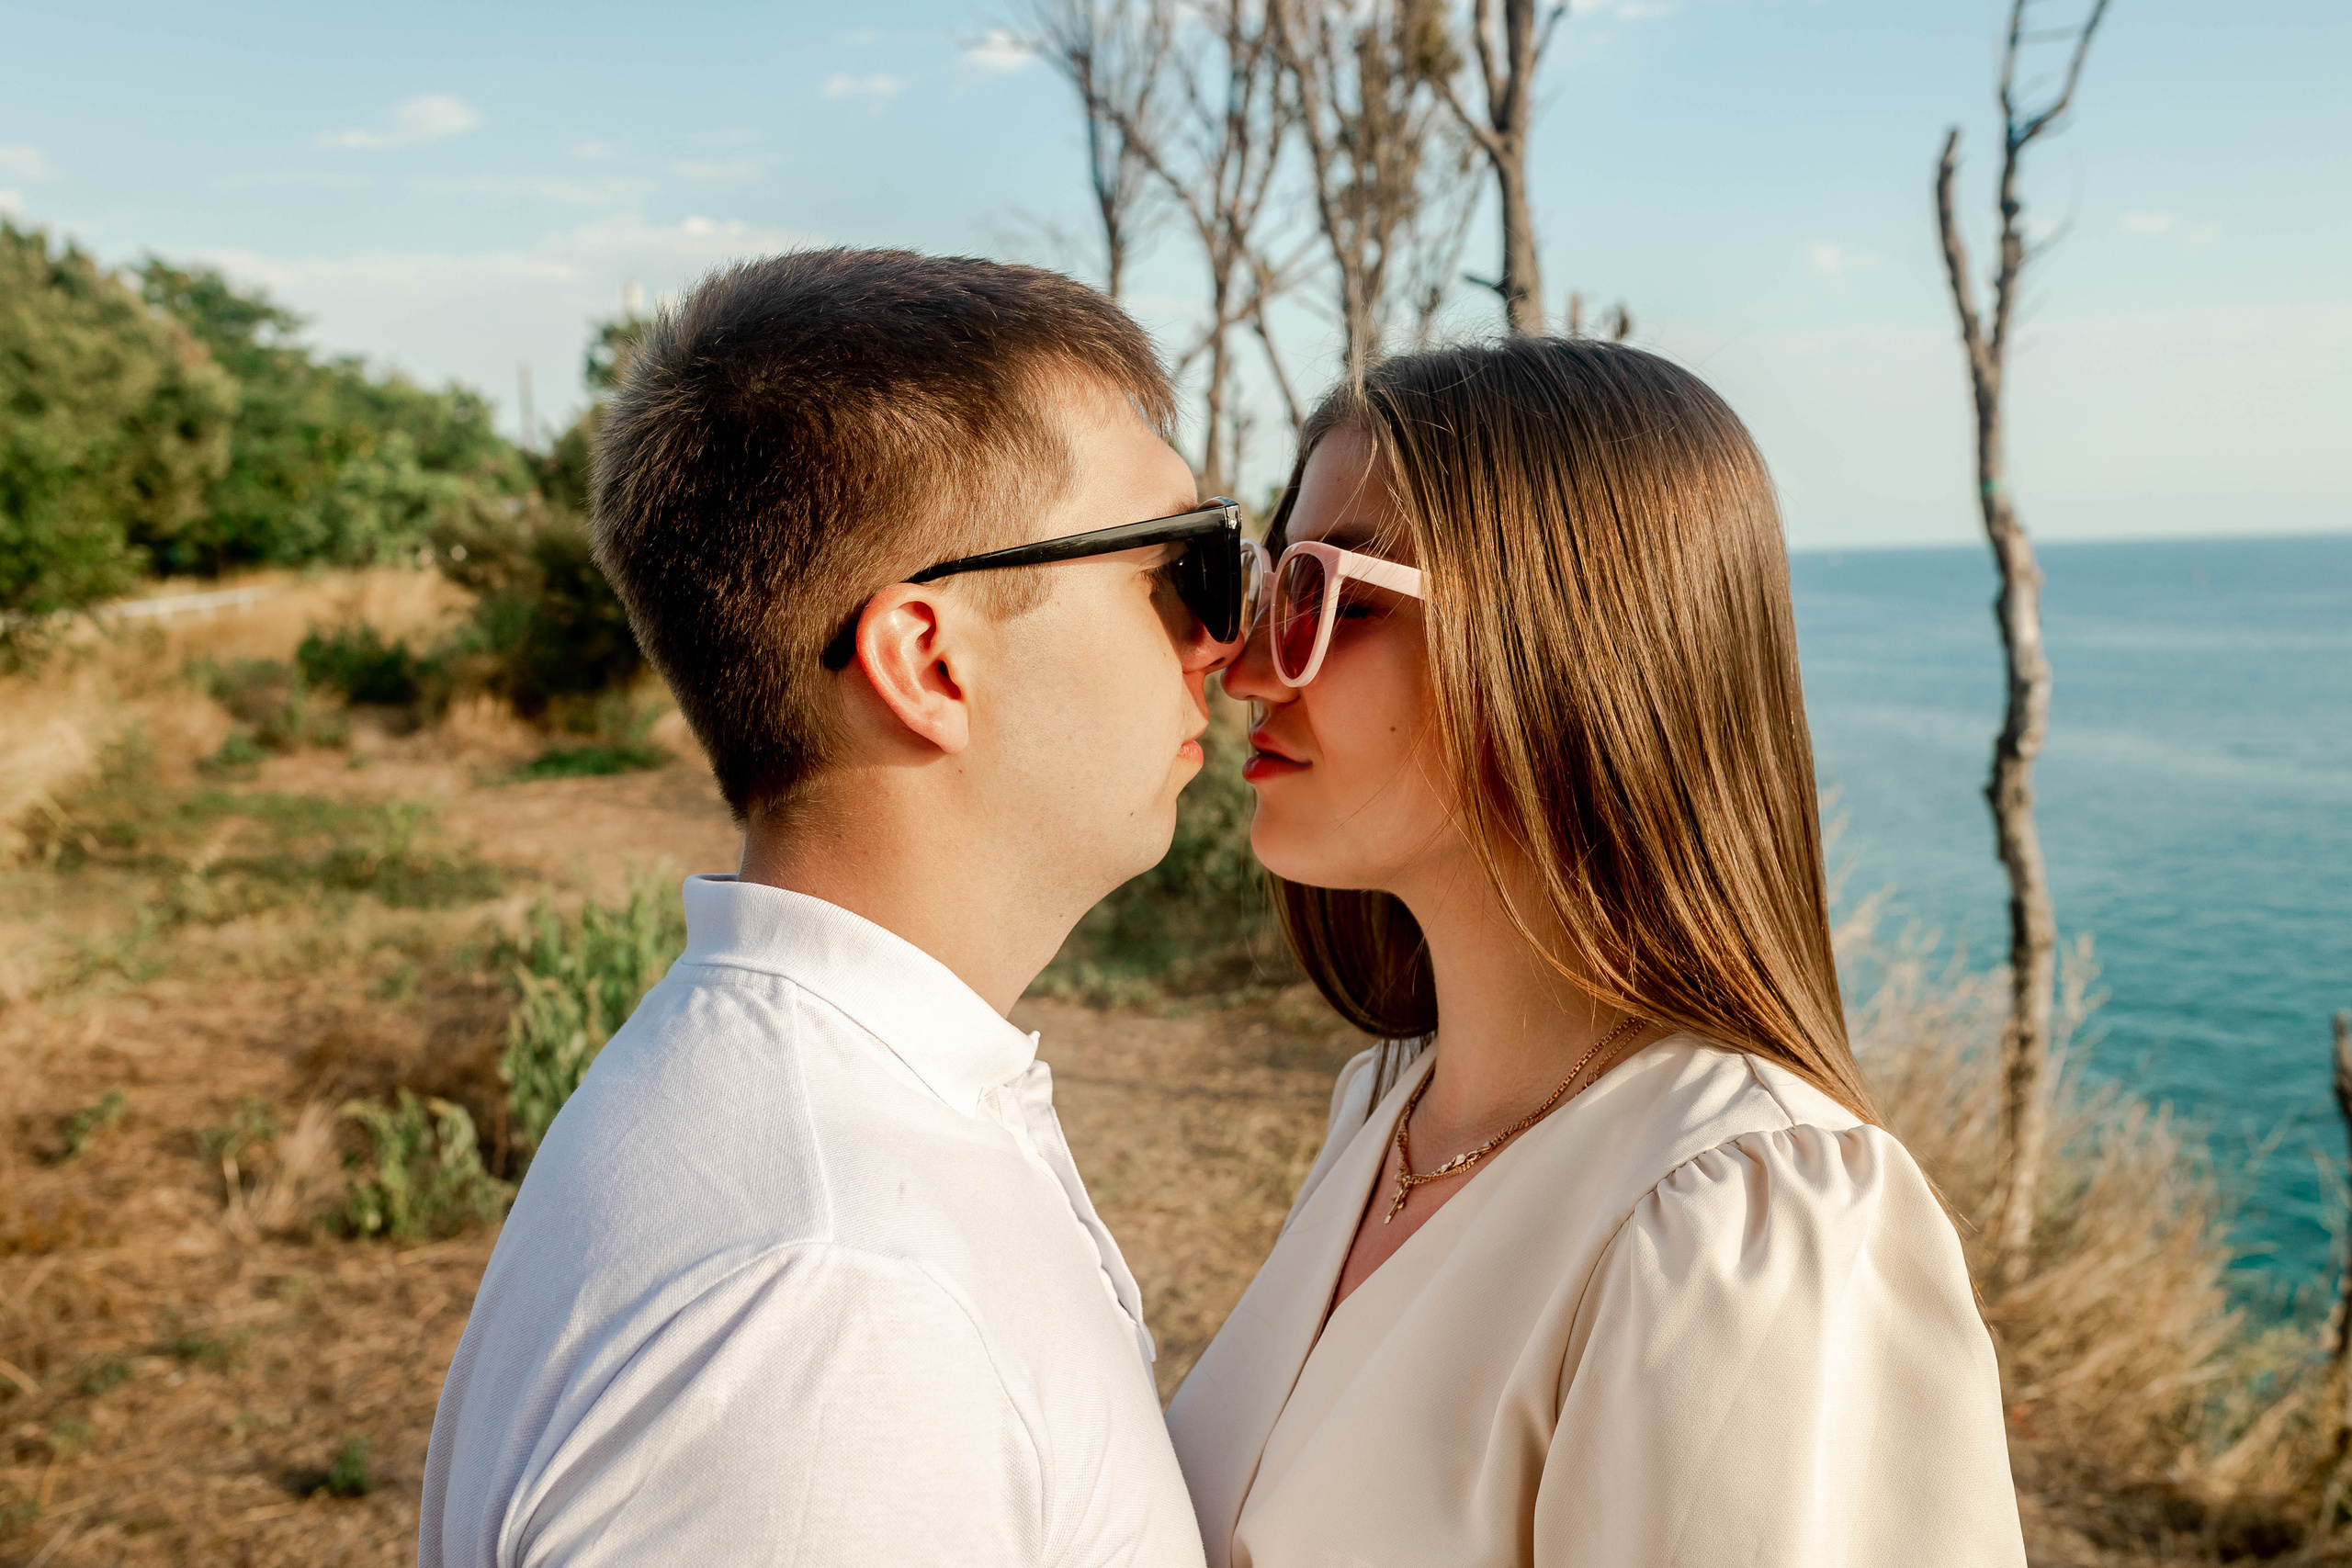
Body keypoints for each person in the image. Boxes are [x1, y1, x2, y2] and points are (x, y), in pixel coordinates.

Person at [420, 249, 1247, 1566]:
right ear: (929, 662)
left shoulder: (813, 1120)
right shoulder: (837, 1301)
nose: (1225, 639)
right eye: (1177, 567)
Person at [1166, 339, 2024, 1567]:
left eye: (1329, 599)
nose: (1246, 669)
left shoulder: (1742, 1222)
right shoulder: (1384, 1115)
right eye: (1269, 589)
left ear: (1565, 647)